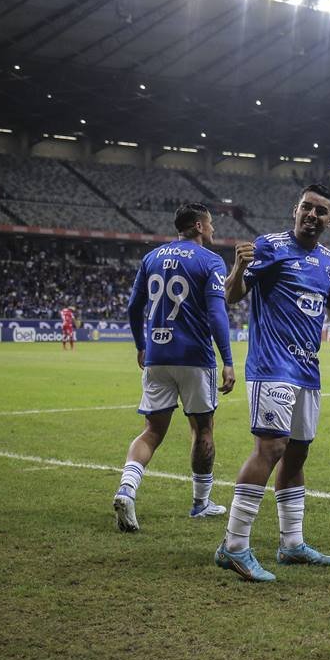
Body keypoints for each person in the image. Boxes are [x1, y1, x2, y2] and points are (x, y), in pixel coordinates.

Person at [213, 184, 330, 582]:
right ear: (295, 210)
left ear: (329, 221)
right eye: (306, 207)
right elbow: (232, 295)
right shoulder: (269, 247)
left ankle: (291, 543)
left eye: (320, 211)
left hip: (308, 370)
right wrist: (236, 268)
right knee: (271, 447)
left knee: (297, 454)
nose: (312, 215)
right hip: (272, 366)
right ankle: (233, 546)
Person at [114, 203, 237, 533]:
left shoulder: (151, 258)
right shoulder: (210, 260)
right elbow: (216, 314)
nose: (213, 230)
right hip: (195, 358)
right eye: (210, 225)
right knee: (203, 429)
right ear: (198, 226)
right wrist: (228, 360)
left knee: (152, 431)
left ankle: (126, 490)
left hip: (156, 355)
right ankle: (200, 503)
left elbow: (133, 306)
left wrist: (141, 345)